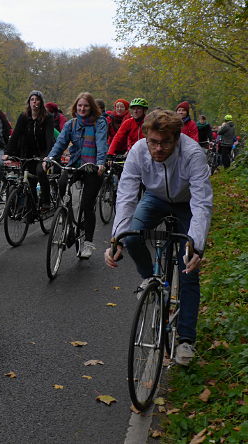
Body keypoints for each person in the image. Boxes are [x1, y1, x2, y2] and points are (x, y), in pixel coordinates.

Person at [105, 109, 212, 366]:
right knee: (132, 236)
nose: (159, 148)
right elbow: (127, 194)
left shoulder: (193, 154)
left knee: (187, 267)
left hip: (186, 202)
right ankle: (149, 280)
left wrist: (195, 246)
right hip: (154, 198)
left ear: (176, 138)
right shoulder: (138, 151)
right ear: (146, 138)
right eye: (153, 142)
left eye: (165, 142)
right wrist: (116, 237)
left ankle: (186, 339)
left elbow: (202, 203)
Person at [45, 92, 108, 259]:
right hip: (74, 164)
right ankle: (69, 224)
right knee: (62, 183)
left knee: (87, 204)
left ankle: (88, 242)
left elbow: (101, 142)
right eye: (80, 105)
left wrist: (101, 162)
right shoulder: (71, 124)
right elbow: (61, 143)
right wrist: (50, 158)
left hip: (93, 167)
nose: (82, 108)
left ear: (91, 107)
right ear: (76, 107)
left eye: (86, 106)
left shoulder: (99, 123)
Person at [5, 90, 55, 211]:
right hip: (27, 153)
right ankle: (31, 210)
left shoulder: (47, 118)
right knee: (28, 180)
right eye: (32, 100)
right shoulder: (23, 117)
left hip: (43, 153)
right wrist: (7, 153)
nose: (34, 102)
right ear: (29, 102)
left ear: (41, 102)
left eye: (37, 99)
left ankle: (46, 201)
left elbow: (49, 139)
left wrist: (48, 156)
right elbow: (15, 135)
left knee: (40, 171)